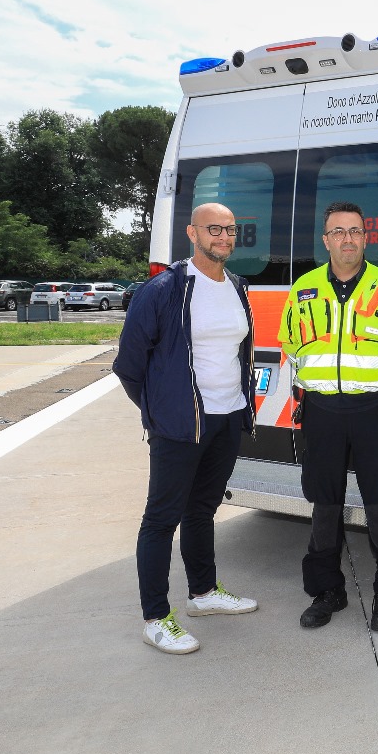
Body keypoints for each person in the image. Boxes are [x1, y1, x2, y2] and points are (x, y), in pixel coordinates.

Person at [114, 201, 257, 654]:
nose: (224, 237)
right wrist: (161, 412)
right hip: (180, 426)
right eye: (214, 229)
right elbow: (129, 365)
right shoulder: (162, 290)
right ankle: (156, 617)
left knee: (202, 509)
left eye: (231, 230)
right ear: (192, 234)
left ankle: (203, 593)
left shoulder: (237, 285)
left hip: (228, 416)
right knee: (160, 519)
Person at [279, 202, 378, 633]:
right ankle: (327, 592)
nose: (347, 239)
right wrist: (316, 382)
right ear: (326, 240)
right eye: (337, 232)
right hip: (321, 410)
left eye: (355, 231)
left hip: (372, 410)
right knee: (324, 505)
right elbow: (289, 343)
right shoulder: (303, 288)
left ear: (366, 237)